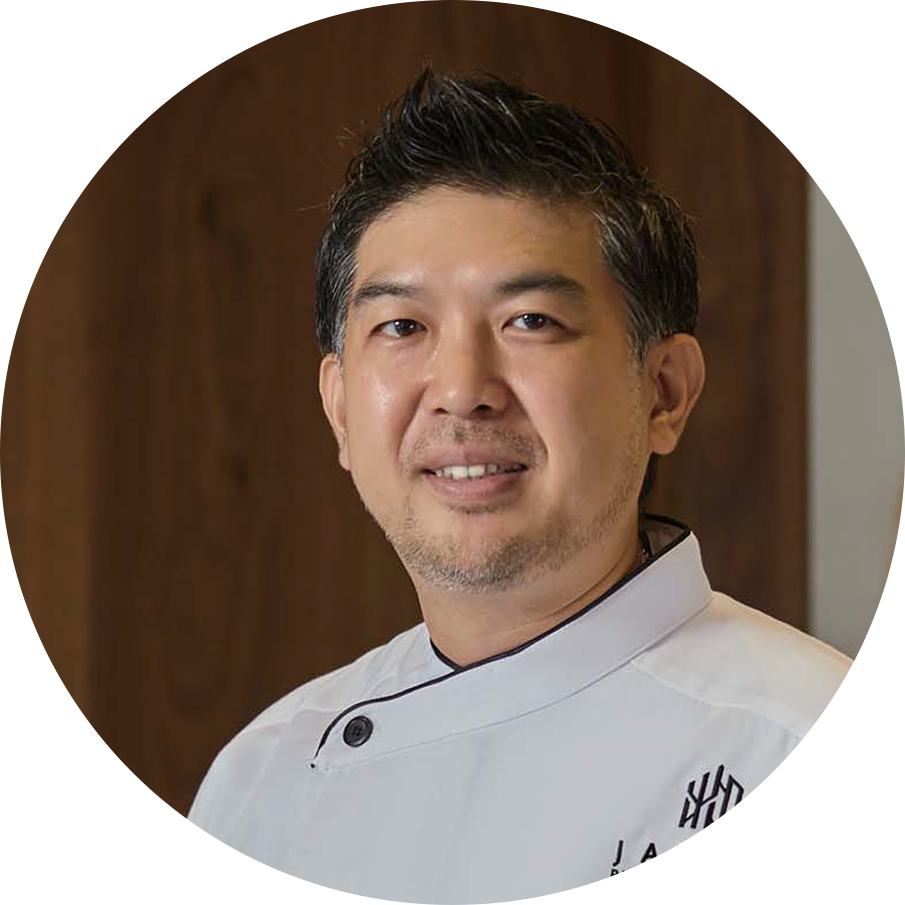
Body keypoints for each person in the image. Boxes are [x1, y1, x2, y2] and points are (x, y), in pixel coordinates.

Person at [161, 69, 905, 905]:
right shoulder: (259, 783)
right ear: (339, 408)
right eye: (402, 326)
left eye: (530, 321)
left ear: (663, 392)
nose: (461, 388)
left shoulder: (832, 764)